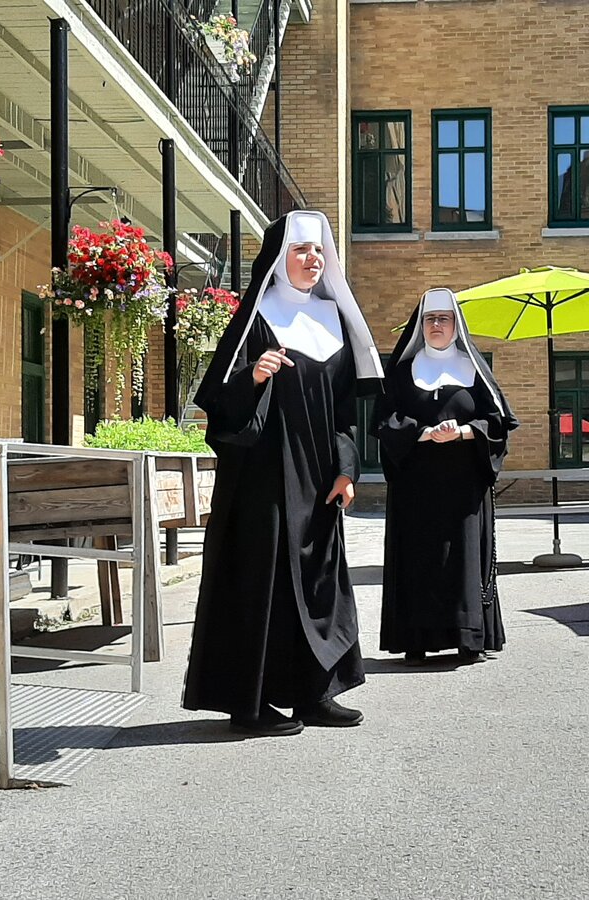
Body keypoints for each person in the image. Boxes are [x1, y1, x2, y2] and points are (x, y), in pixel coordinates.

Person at [182, 210, 384, 735]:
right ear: (278, 258)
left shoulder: (333, 319)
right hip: (263, 478)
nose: (312, 259)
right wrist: (253, 375)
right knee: (263, 586)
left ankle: (314, 695)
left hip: (318, 477)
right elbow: (220, 407)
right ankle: (250, 705)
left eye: (318, 251)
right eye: (300, 250)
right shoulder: (256, 318)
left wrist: (345, 468)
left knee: (319, 582)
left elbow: (343, 413)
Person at [372, 288, 518, 664]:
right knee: (418, 559)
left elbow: (498, 422)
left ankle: (469, 638)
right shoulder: (402, 373)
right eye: (430, 319)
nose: (437, 325)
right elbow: (383, 421)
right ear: (420, 326)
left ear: (456, 325)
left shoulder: (473, 369)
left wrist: (465, 432)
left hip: (464, 487)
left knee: (466, 559)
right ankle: (416, 638)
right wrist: (422, 433)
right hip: (415, 488)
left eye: (444, 319)